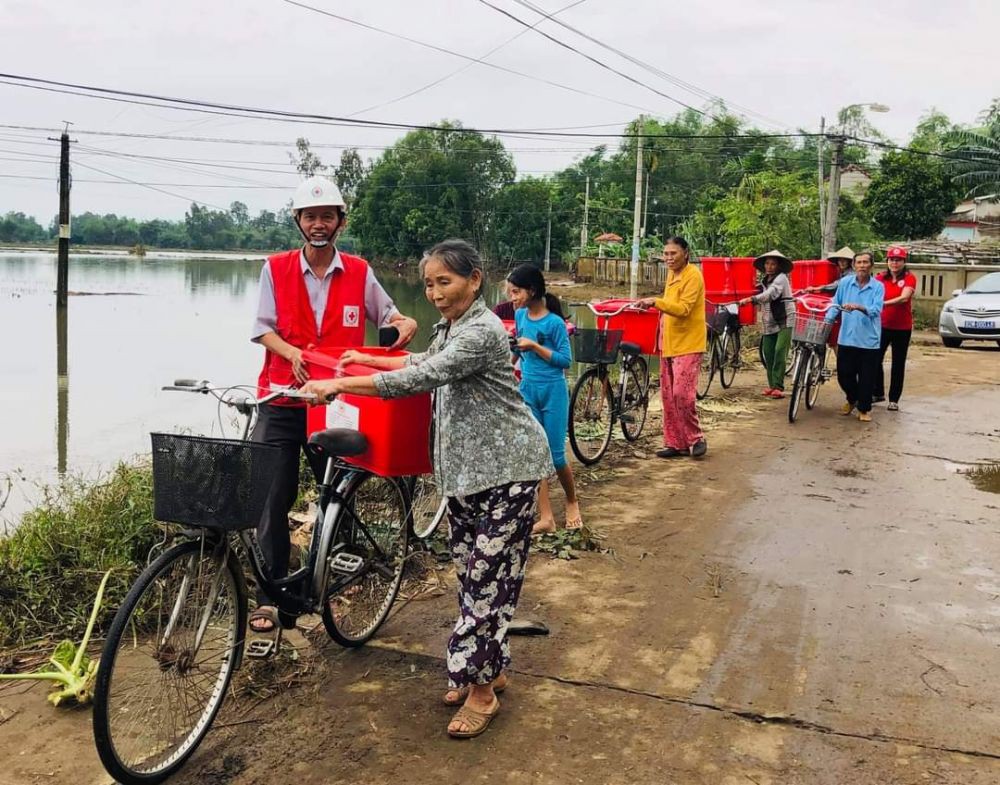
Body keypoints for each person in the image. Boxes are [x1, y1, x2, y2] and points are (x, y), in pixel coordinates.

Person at [302, 239, 552, 740]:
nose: (436, 294)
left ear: (474, 280)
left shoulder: (481, 330)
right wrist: (365, 362)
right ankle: (491, 668)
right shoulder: (452, 327)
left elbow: (426, 377)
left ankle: (480, 690)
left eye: (446, 282)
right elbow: (419, 361)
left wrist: (341, 386)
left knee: (484, 581)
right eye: (429, 285)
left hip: (510, 471)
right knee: (475, 577)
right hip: (465, 475)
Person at [249, 175, 418, 634]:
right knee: (272, 498)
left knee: (339, 491)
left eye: (327, 216)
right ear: (299, 223)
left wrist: (405, 322)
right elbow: (262, 329)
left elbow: (390, 316)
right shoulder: (276, 268)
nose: (318, 224)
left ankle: (336, 575)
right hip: (283, 397)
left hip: (339, 401)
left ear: (340, 222)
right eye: (310, 216)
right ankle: (272, 595)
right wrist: (292, 354)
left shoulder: (360, 272)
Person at [505, 263, 582, 533]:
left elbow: (565, 361)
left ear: (532, 290)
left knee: (556, 456)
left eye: (516, 292)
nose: (512, 298)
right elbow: (518, 350)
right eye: (510, 293)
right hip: (528, 389)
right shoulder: (521, 317)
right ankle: (546, 516)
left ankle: (572, 501)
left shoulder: (555, 323)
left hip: (553, 391)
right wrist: (509, 362)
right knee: (536, 454)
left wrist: (535, 347)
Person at [638, 237, 707, 459]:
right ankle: (675, 442)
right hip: (668, 341)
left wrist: (655, 301)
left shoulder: (693, 276)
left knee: (682, 394)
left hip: (688, 342)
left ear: (685, 253)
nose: (668, 258)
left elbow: (684, 308)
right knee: (668, 395)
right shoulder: (671, 274)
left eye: (673, 253)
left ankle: (695, 438)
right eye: (666, 254)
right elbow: (669, 306)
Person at [825, 250, 884, 423]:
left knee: (867, 377)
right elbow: (836, 303)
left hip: (868, 340)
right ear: (854, 265)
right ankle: (852, 399)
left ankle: (864, 409)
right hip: (847, 337)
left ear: (871, 265)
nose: (862, 266)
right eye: (859, 263)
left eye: (866, 262)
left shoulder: (878, 287)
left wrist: (860, 307)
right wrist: (827, 320)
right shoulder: (845, 283)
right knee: (844, 375)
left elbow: (876, 310)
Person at [739, 250, 794, 399]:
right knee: (768, 354)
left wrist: (752, 299)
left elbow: (772, 294)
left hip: (785, 320)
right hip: (768, 321)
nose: (770, 267)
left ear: (778, 266)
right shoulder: (764, 281)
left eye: (773, 264)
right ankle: (771, 385)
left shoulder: (781, 279)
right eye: (767, 263)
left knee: (779, 351)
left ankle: (778, 386)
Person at [873, 246, 916, 411]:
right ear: (887, 262)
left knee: (898, 363)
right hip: (881, 325)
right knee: (875, 359)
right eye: (892, 260)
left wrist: (881, 304)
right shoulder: (879, 279)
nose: (895, 263)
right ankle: (878, 392)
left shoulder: (909, 278)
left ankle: (894, 399)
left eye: (898, 260)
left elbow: (904, 298)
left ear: (904, 262)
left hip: (902, 328)